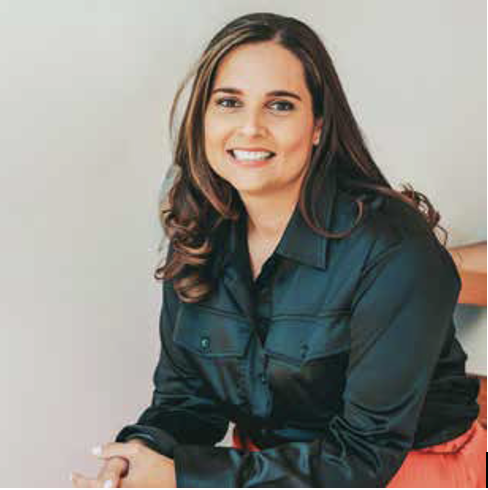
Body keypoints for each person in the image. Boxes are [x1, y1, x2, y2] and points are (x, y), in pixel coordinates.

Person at [71, 12, 486, 488]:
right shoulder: (199, 233)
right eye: (229, 102)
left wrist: (186, 478)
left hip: (405, 471)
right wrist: (139, 456)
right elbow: (187, 399)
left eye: (280, 106)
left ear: (318, 126)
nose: (250, 127)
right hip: (268, 473)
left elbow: (364, 457)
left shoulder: (393, 251)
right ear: (203, 118)